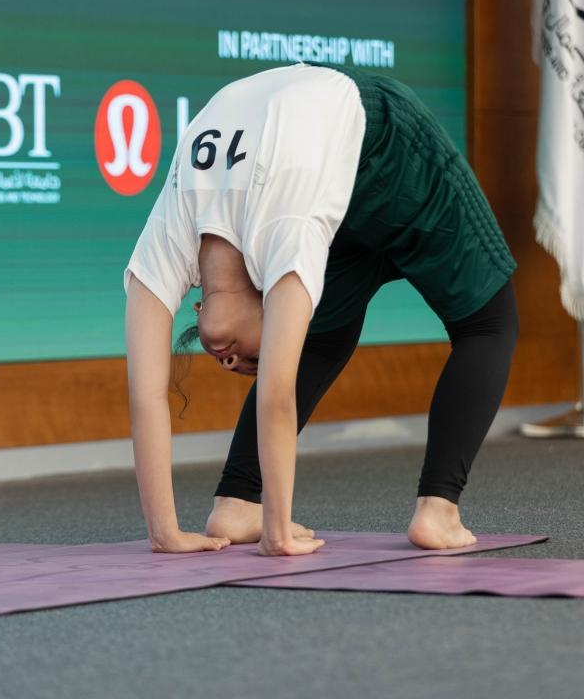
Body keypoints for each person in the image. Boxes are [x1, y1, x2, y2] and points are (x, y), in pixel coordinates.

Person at [124, 62, 518, 556]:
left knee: (487, 320)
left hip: (384, 141)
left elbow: (276, 392)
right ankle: (238, 500)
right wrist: (164, 533)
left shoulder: (282, 228)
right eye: (237, 363)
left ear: (199, 303)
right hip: (314, 153)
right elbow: (145, 395)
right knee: (327, 329)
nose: (233, 362)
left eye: (232, 360)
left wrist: (279, 535)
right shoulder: (170, 236)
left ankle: (439, 507)